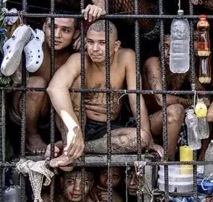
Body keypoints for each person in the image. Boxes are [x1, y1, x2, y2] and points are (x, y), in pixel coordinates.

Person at [46, 19, 163, 168]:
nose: (95, 48)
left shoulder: (127, 57)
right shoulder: (79, 59)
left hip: (108, 130)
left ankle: (77, 149)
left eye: (102, 43)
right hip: (78, 123)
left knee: (142, 138)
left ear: (116, 46)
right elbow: (54, 88)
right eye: (90, 42)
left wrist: (149, 139)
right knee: (75, 82)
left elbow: (135, 97)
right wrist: (73, 127)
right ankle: (71, 146)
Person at [9, 18, 78, 154]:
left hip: (53, 116)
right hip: (21, 113)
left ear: (76, 34)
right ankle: (32, 136)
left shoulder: (74, 56)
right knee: (38, 84)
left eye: (66, 30)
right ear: (44, 26)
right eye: (52, 27)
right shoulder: (31, 45)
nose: (57, 35)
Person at [142, 34, 191, 160]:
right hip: (146, 122)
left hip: (167, 121)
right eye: (165, 47)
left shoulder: (183, 66)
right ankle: (168, 162)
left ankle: (201, 161)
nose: (169, 53)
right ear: (159, 47)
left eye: (176, 48)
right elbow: (161, 100)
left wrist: (203, 101)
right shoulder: (154, 63)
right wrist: (191, 102)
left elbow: (202, 91)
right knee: (176, 110)